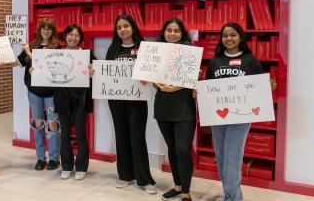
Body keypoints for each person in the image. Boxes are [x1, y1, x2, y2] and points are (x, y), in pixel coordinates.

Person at [204, 22, 277, 201]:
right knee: (221, 157)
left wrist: (268, 88)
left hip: (241, 117)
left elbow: (258, 89)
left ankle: (234, 198)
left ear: (240, 37)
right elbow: (208, 88)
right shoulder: (215, 61)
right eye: (225, 35)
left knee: (232, 157)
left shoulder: (250, 60)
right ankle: (230, 195)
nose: (229, 38)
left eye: (233, 35)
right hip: (218, 116)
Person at [105, 14, 157, 194]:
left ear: (133, 27)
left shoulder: (143, 48)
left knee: (137, 137)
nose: (123, 30)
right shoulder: (113, 49)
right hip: (116, 101)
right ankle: (125, 175)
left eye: (126, 26)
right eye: (119, 27)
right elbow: (107, 74)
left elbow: (151, 73)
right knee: (121, 136)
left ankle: (144, 179)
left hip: (137, 101)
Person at [153, 18, 196, 201]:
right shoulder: (156, 52)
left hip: (184, 105)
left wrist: (176, 87)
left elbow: (193, 76)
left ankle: (186, 191)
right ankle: (177, 186)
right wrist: (156, 83)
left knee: (183, 148)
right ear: (164, 32)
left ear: (182, 33)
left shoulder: (189, 51)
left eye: (176, 30)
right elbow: (153, 78)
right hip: (163, 105)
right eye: (168, 30)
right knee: (172, 147)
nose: (172, 33)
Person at [17, 18, 61, 171]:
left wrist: (30, 54)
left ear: (53, 31)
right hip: (34, 92)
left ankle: (55, 158)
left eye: (49, 28)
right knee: (37, 124)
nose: (46, 31)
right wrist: (0, 56)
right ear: (39, 30)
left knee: (53, 125)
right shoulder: (31, 46)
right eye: (44, 28)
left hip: (52, 93)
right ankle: (41, 158)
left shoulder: (57, 47)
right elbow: (18, 62)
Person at [54, 24, 95, 181]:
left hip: (81, 99)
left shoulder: (87, 54)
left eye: (76, 35)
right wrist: (36, 71)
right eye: (70, 34)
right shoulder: (58, 54)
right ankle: (66, 166)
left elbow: (96, 71)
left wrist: (92, 72)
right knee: (64, 133)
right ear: (65, 37)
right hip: (62, 99)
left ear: (80, 38)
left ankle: (82, 167)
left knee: (80, 133)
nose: (73, 37)